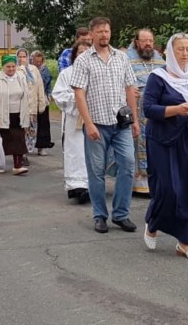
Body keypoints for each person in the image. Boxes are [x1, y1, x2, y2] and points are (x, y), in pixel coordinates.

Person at [142, 34, 188, 260]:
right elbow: (148, 109)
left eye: (187, 50)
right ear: (170, 53)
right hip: (162, 140)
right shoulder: (158, 77)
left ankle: (186, 242)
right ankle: (153, 224)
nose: (185, 54)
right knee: (168, 189)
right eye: (180, 50)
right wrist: (175, 110)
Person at [70, 17, 140, 234]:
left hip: (121, 124)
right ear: (91, 34)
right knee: (96, 172)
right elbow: (79, 94)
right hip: (97, 124)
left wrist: (135, 120)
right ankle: (100, 215)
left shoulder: (121, 57)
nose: (104, 35)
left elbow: (130, 89)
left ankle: (121, 214)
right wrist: (88, 123)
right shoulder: (83, 60)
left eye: (107, 31)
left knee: (128, 166)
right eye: (99, 31)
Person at [52, 40, 92, 203]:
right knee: (75, 151)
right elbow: (58, 94)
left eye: (87, 53)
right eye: (80, 53)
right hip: (74, 119)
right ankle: (76, 185)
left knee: (91, 152)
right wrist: (77, 98)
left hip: (94, 118)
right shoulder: (67, 73)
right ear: (75, 55)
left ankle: (90, 185)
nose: (83, 56)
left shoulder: (98, 72)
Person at [127, 28, 165, 196]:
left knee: (155, 144)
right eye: (144, 41)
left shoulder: (159, 60)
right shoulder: (127, 59)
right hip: (135, 110)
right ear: (137, 42)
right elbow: (120, 82)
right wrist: (126, 90)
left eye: (150, 40)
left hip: (154, 111)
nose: (148, 44)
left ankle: (154, 183)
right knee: (135, 144)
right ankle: (137, 184)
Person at [0, 54, 31, 175]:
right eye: (8, 67)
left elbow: (26, 94)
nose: (11, 69)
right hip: (2, 114)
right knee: (3, 140)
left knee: (18, 138)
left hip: (18, 113)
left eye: (13, 66)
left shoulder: (21, 77)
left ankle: (17, 165)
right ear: (3, 67)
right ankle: (0, 164)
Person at [17, 48, 50, 155]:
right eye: (20, 57)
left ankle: (29, 148)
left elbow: (40, 86)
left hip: (32, 106)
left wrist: (41, 103)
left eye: (24, 57)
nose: (22, 59)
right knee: (22, 130)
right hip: (21, 107)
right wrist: (22, 68)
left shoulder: (34, 69)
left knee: (31, 130)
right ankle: (22, 153)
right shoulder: (15, 69)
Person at [30, 50, 54, 155]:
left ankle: (42, 146)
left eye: (40, 61)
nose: (38, 63)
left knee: (43, 123)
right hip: (30, 99)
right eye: (36, 61)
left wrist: (49, 95)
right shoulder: (28, 70)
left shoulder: (45, 70)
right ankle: (27, 146)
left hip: (42, 98)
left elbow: (48, 84)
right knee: (29, 123)